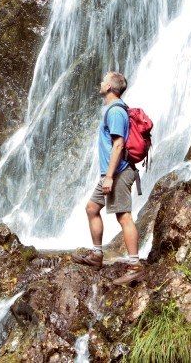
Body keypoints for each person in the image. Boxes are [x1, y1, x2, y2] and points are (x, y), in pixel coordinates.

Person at [71, 72, 142, 282]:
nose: (100, 82)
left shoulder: (116, 111)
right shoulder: (112, 110)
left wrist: (109, 176)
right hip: (110, 173)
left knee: (123, 216)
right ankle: (97, 255)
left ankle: (135, 265)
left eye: (104, 80)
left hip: (118, 172)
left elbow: (119, 144)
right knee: (92, 208)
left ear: (110, 86)